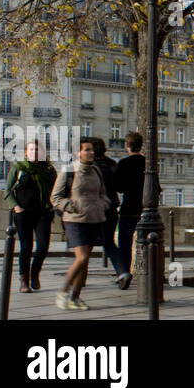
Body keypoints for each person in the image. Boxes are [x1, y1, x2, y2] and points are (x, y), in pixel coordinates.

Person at [51, 139, 114, 310]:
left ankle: (75, 298)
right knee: (82, 257)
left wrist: (103, 204)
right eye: (86, 150)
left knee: (85, 262)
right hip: (74, 221)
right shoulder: (68, 171)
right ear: (77, 153)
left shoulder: (96, 171)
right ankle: (63, 292)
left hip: (94, 219)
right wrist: (72, 206)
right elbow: (55, 197)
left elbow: (103, 194)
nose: (91, 152)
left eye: (92, 150)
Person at [4, 139, 57, 293]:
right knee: (26, 247)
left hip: (43, 213)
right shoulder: (19, 168)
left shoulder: (49, 170)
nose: (35, 152)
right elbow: (7, 191)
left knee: (43, 247)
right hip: (24, 214)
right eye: (32, 150)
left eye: (37, 150)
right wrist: (16, 207)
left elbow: (56, 190)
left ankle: (35, 273)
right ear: (26, 153)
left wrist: (53, 205)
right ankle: (24, 280)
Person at [84, 138, 126, 288]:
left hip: (93, 210)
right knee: (109, 243)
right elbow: (120, 187)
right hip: (111, 208)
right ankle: (122, 272)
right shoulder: (112, 164)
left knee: (86, 245)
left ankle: (81, 277)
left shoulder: (90, 167)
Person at [112, 132, 145, 290]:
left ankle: (124, 273)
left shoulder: (124, 163)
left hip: (129, 208)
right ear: (141, 145)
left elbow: (118, 186)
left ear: (127, 146)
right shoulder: (147, 163)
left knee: (124, 243)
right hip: (145, 209)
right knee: (146, 243)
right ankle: (148, 273)